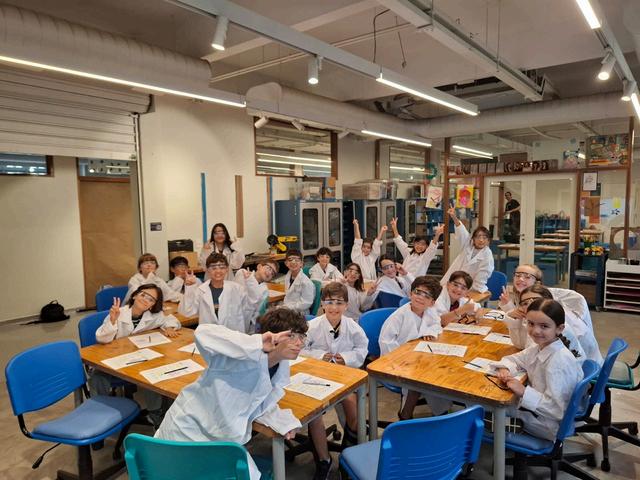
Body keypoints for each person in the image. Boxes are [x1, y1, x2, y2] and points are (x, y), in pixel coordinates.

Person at [155, 308, 308, 480]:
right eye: (292, 336)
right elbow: (203, 332)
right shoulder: (238, 355)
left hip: (221, 438)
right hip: (188, 431)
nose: (299, 343)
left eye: (302, 336)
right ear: (273, 335)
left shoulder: (280, 365)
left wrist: (284, 422)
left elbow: (260, 400)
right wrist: (257, 342)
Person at [492, 299, 583, 441]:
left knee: (482, 415)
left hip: (546, 425)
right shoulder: (539, 347)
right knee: (487, 410)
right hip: (537, 414)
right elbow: (515, 359)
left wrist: (523, 391)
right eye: (531, 323)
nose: (535, 331)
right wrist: (505, 369)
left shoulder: (559, 361)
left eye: (544, 326)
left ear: (559, 328)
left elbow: (556, 409)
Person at [92, 284, 181, 427]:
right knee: (98, 375)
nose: (146, 300)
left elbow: (169, 319)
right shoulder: (119, 313)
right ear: (134, 295)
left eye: (151, 299)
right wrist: (113, 320)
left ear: (152, 305)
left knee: (153, 374)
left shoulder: (153, 315)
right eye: (143, 295)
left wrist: (169, 327)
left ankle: (155, 414)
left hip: (138, 359)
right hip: (116, 359)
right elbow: (102, 338)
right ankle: (99, 413)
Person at [302, 282, 369, 472]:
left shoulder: (353, 326)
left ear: (346, 305)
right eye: (329, 302)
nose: (334, 307)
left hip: (342, 375)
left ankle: (349, 448)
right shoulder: (311, 326)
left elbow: (362, 348)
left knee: (351, 403)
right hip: (315, 376)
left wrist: (346, 358)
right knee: (315, 414)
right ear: (322, 304)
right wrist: (318, 356)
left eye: (339, 303)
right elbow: (299, 350)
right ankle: (324, 460)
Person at [499, 264, 602, 364]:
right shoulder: (529, 300)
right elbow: (522, 344)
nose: (521, 279)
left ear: (537, 283)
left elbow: (537, 354)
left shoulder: (549, 311)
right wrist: (511, 312)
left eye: (527, 277)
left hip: (582, 365)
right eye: (517, 275)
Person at [379, 276, 446, 419]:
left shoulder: (430, 312)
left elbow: (436, 325)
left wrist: (429, 332)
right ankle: (405, 414)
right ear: (411, 293)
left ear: (432, 303)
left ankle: (441, 413)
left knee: (440, 372)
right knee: (419, 379)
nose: (420, 297)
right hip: (396, 360)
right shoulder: (399, 316)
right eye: (418, 292)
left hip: (419, 356)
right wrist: (405, 358)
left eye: (427, 295)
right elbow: (385, 342)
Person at [179, 253, 252, 332]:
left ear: (227, 269)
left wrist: (251, 283)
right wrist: (189, 287)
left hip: (232, 335)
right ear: (207, 270)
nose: (218, 271)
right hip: (209, 335)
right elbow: (187, 312)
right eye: (213, 268)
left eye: (222, 267)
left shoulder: (237, 289)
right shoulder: (200, 291)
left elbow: (250, 308)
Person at [440, 207, 494, 293]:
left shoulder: (487, 256)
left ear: (488, 241)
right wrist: (453, 216)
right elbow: (461, 231)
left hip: (471, 289)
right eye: (478, 237)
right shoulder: (468, 245)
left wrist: (466, 290)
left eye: (484, 237)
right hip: (451, 282)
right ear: (473, 239)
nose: (481, 240)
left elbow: (480, 280)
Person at [234, 259, 279, 332]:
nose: (270, 273)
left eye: (273, 273)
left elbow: (257, 311)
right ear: (259, 266)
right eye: (269, 268)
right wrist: (250, 280)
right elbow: (240, 300)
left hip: (248, 323)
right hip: (234, 317)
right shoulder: (243, 273)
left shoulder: (265, 291)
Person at [283, 249, 315, 314]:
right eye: (290, 260)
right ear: (286, 263)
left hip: (300, 313)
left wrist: (287, 307)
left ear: (301, 263)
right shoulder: (288, 277)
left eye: (296, 260)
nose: (293, 262)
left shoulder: (306, 282)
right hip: (288, 310)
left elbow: (306, 303)